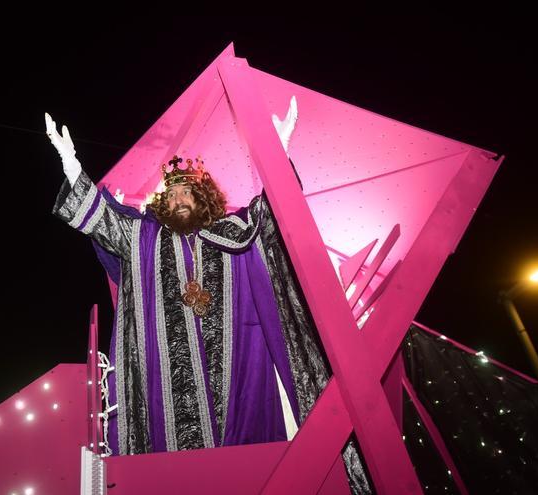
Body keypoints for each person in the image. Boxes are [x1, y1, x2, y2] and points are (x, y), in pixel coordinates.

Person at [46, 98, 330, 455]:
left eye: (187, 192)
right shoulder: (144, 238)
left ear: (203, 197)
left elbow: (271, 214)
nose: (179, 198)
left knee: (248, 461)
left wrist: (278, 151)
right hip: (166, 387)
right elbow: (104, 222)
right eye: (173, 193)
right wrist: (71, 166)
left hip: (239, 374)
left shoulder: (231, 229)